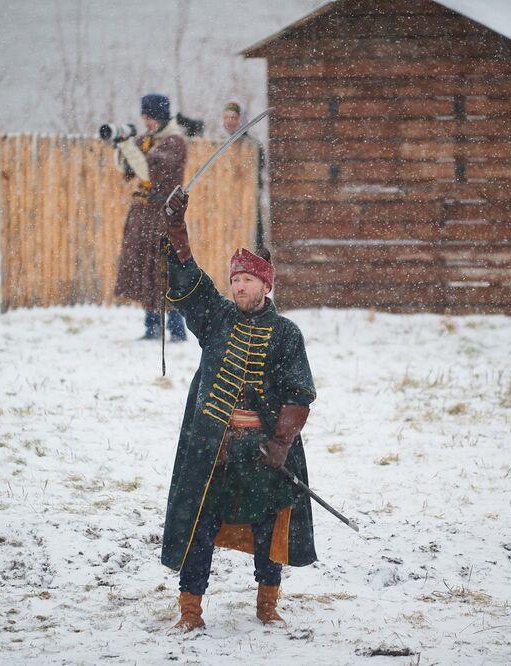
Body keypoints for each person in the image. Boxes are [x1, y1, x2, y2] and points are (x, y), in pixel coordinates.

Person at [159, 188, 317, 632]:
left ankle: (267, 606)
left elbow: (299, 395)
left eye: (247, 279)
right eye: (235, 280)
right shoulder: (217, 318)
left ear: (266, 285)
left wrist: (281, 443)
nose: (239, 286)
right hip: (217, 450)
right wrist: (176, 227)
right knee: (199, 526)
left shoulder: (287, 334)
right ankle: (190, 612)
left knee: (270, 530)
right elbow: (189, 280)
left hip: (265, 452)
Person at [113, 93, 187, 341]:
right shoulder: (147, 140)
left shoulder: (174, 143)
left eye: (150, 117)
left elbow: (148, 173)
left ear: (160, 116)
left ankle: (176, 330)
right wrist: (120, 147)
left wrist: (128, 146)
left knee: (166, 270)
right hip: (143, 214)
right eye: (144, 116)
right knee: (144, 267)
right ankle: (151, 326)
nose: (146, 122)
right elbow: (127, 170)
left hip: (164, 214)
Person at [222, 101, 268, 250]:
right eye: (226, 118)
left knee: (252, 246)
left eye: (233, 117)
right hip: (227, 207)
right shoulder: (222, 146)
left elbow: (254, 175)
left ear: (240, 120)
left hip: (247, 206)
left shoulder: (252, 146)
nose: (230, 121)